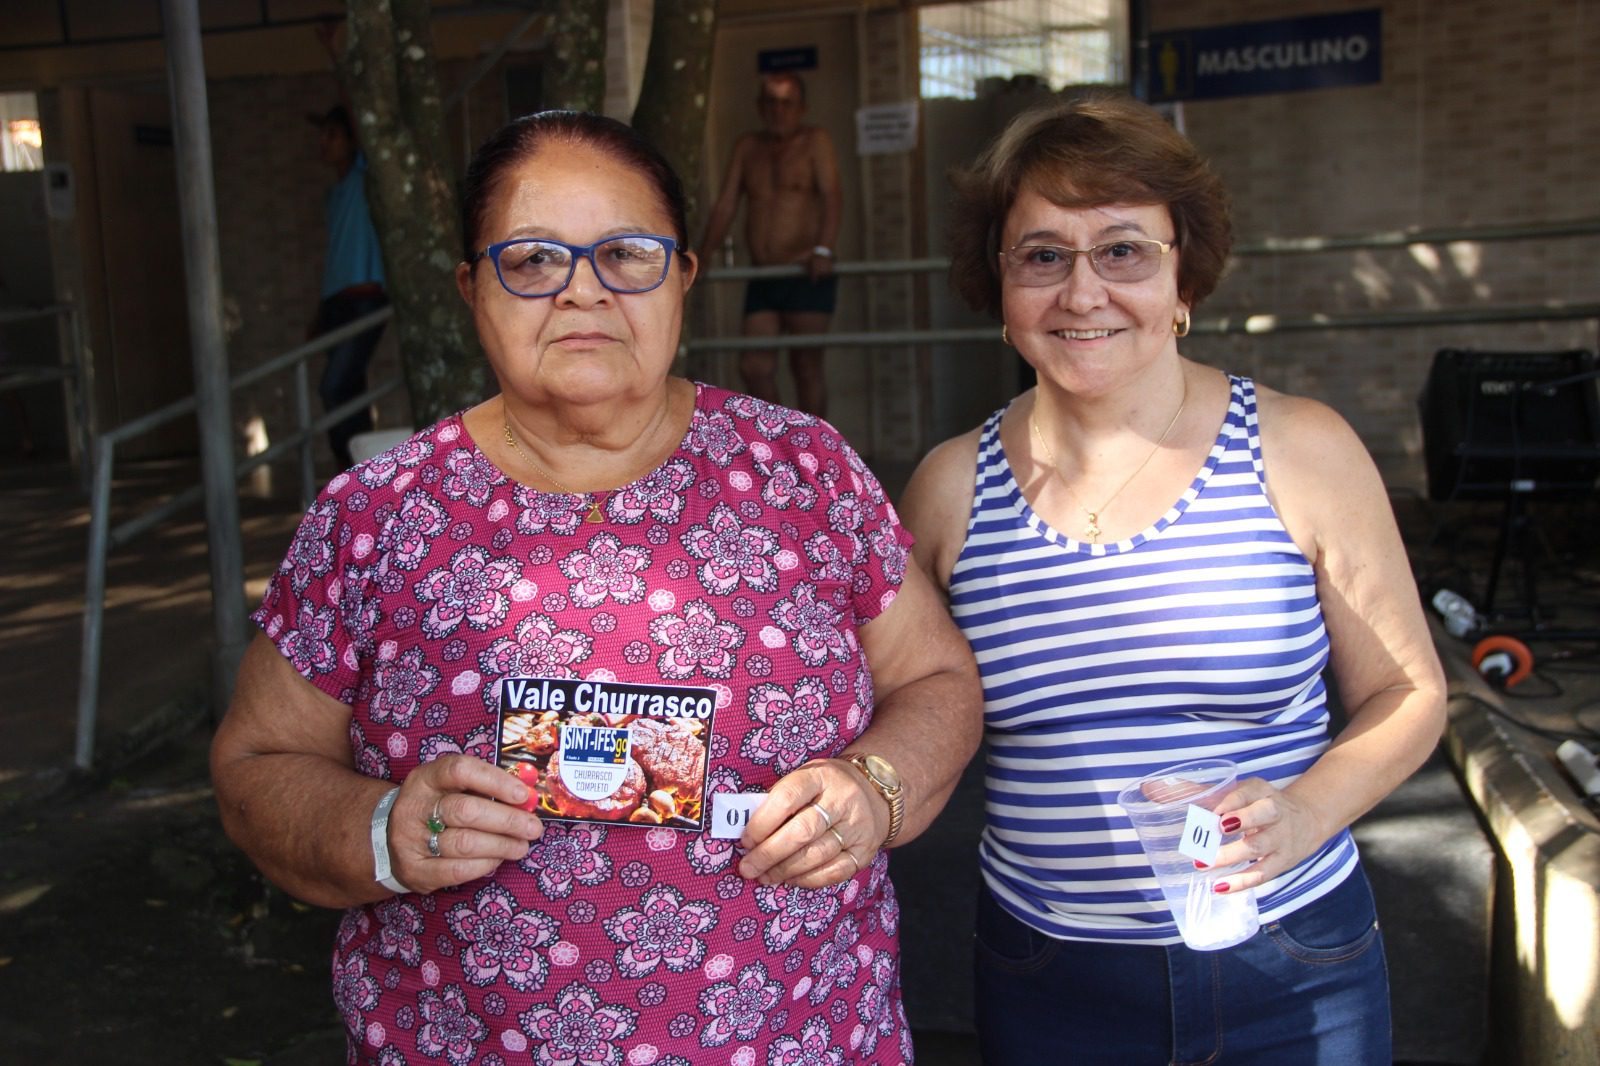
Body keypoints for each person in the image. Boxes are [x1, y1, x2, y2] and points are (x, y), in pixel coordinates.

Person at [212, 110, 981, 1064]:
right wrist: (379, 830)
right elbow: (257, 766)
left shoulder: (802, 473)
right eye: (533, 259)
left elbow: (938, 682)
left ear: (684, 277)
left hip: (808, 1037)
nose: (583, 290)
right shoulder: (376, 519)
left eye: (626, 254)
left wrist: (875, 787)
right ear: (471, 287)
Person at [898, 94, 1447, 1063]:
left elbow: (1409, 694)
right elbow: (899, 695)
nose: (1082, 293)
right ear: (1001, 283)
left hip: (1290, 959)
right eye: (1043, 255)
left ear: (1182, 272)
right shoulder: (950, 488)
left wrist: (1307, 812)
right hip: (1048, 975)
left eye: (1123, 251)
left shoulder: (1298, 449)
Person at [700, 72, 843, 416]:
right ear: (759, 107)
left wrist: (823, 249)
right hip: (763, 274)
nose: (778, 111)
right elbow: (726, 205)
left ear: (801, 107)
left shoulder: (815, 142)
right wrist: (702, 255)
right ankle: (780, 440)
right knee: (754, 367)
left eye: (787, 103)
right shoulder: (748, 147)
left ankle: (814, 448)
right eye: (771, 103)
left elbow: (833, 196)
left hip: (804, 271)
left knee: (805, 365)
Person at [307, 101, 388, 468]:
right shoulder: (334, 195)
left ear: (352, 140)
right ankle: (362, 476)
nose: (324, 142)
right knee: (350, 391)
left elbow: (365, 126)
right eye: (322, 135)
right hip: (336, 305)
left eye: (333, 134)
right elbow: (336, 257)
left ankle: (350, 470)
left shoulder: (363, 177)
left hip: (364, 300)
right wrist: (319, 313)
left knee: (334, 387)